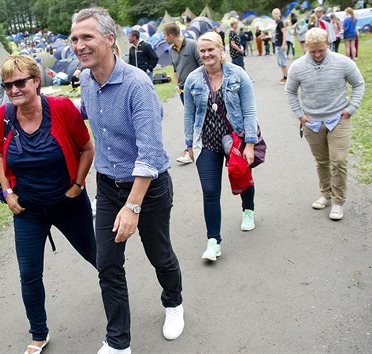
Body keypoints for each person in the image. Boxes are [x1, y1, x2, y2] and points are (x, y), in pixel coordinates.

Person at [70, 7, 184, 353]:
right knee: (107, 264)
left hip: (147, 190)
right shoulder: (87, 81)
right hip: (107, 187)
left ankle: (174, 303)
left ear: (109, 39)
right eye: (74, 39)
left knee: (158, 253)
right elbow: (85, 119)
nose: (79, 45)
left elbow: (149, 154)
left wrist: (132, 206)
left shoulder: (138, 85)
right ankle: (119, 341)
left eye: (86, 37)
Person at [0, 55, 97, 354]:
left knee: (98, 257)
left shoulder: (63, 108)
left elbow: (87, 148)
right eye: (7, 85)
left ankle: (118, 300)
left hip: (68, 203)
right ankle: (39, 334)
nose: (14, 90)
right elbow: (1, 155)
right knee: (28, 274)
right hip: (28, 210)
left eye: (20, 82)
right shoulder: (3, 115)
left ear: (37, 81)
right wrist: (7, 192)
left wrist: (77, 186)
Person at [183, 31, 259, 262]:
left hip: (235, 138)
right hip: (206, 140)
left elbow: (249, 111)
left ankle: (248, 210)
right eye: (202, 51)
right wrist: (189, 143)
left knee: (242, 177)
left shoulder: (238, 75)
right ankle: (213, 241)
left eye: (210, 50)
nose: (206, 54)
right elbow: (189, 113)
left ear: (220, 50)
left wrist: (250, 144)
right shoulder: (193, 80)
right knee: (210, 191)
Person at [285, 28, 364, 221]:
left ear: (327, 45)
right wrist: (299, 115)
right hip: (312, 122)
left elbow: (359, 84)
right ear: (307, 48)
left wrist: (351, 108)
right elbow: (290, 91)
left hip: (339, 119)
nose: (317, 55)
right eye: (313, 51)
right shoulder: (298, 67)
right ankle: (325, 193)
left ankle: (338, 201)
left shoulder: (343, 62)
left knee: (338, 160)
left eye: (321, 50)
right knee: (322, 161)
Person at [163, 22, 202, 165]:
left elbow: (202, 66)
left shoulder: (192, 45)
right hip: (182, 91)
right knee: (190, 117)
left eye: (165, 36)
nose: (164, 39)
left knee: (198, 116)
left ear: (171, 35)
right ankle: (194, 146)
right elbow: (175, 69)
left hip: (197, 90)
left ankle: (191, 148)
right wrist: (177, 85)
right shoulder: (171, 50)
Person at [272, 8, 289, 84]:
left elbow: (284, 33)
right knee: (280, 62)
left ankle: (287, 78)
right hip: (277, 44)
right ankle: (284, 76)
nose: (277, 14)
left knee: (282, 62)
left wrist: (283, 44)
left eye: (278, 13)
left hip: (280, 45)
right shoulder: (276, 23)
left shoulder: (280, 23)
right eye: (275, 13)